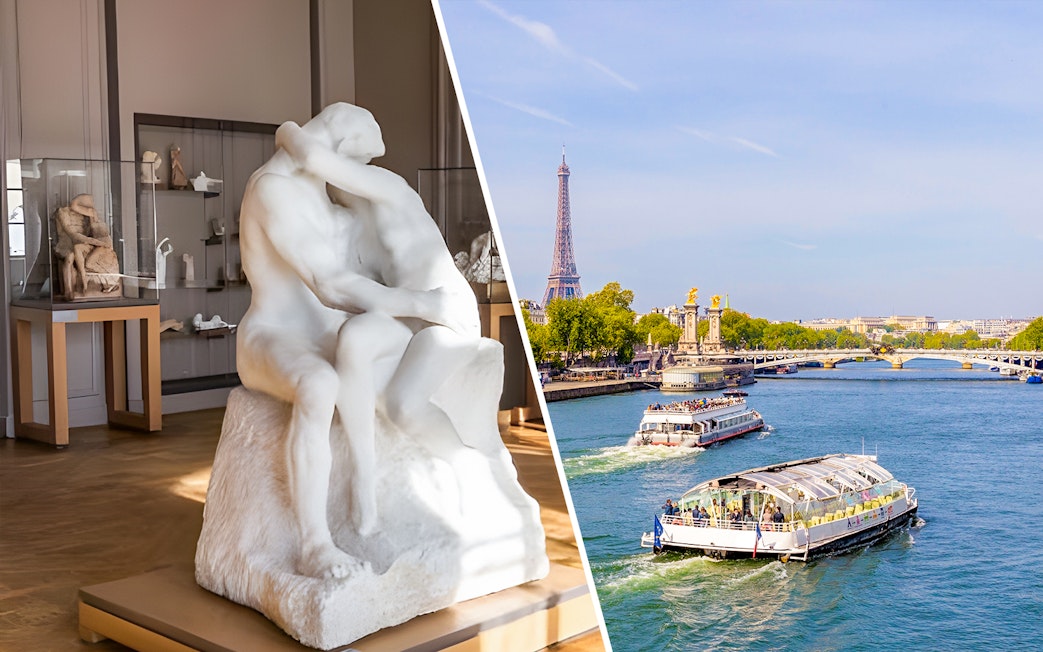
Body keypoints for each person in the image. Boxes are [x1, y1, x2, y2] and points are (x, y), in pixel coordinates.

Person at [236, 103, 484, 580]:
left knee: (371, 373)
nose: (364, 170)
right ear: (338, 143)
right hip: (274, 334)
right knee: (318, 384)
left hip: (340, 325)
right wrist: (422, 304)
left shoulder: (336, 197)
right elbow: (329, 283)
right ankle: (315, 544)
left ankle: (383, 484)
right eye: (361, 158)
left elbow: (360, 276)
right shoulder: (272, 191)